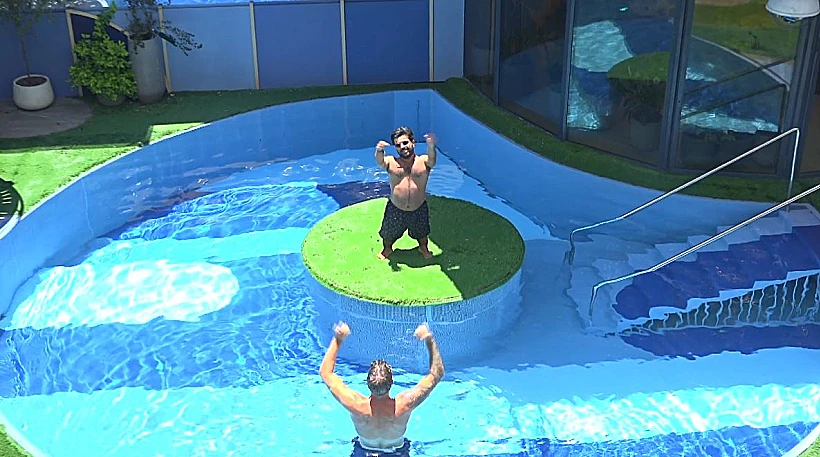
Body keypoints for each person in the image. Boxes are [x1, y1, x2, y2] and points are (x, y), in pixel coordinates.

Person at [319, 321, 445, 457]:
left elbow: (326, 373)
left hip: (363, 452)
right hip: (397, 452)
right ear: (392, 383)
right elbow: (437, 374)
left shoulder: (354, 404)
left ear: (368, 383)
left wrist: (338, 339)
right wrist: (429, 339)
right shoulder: (405, 403)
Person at [374, 126, 437, 260]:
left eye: (405, 142)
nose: (402, 147)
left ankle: (423, 248)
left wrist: (431, 146)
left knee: (422, 232)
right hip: (396, 207)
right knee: (388, 233)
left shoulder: (423, 161)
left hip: (418, 207)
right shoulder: (391, 162)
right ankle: (387, 249)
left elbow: (432, 160)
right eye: (398, 145)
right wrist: (379, 150)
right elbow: (380, 162)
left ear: (413, 142)